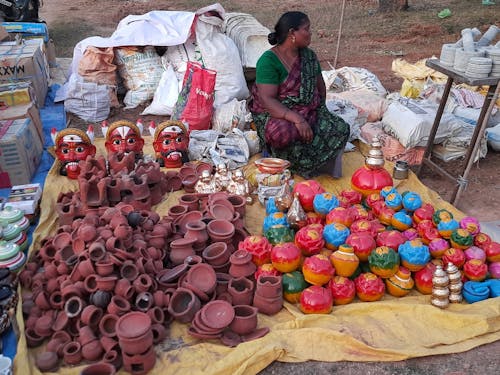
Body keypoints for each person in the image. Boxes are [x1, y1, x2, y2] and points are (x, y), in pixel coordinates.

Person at [250, 11, 350, 178]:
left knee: (339, 128)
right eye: (307, 29)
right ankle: (282, 162)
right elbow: (267, 99)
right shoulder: (268, 61)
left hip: (308, 110)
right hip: (278, 114)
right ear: (292, 33)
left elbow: (320, 88)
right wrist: (298, 119)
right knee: (280, 134)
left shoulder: (309, 56)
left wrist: (317, 112)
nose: (311, 33)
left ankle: (318, 166)